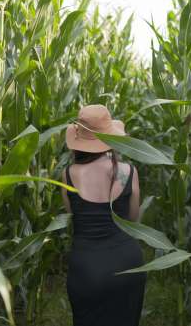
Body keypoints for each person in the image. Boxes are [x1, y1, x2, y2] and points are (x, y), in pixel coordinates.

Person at [61, 104, 147, 326]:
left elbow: (73, 214)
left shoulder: (68, 174)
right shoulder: (129, 172)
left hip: (86, 268)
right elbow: (133, 219)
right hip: (128, 264)